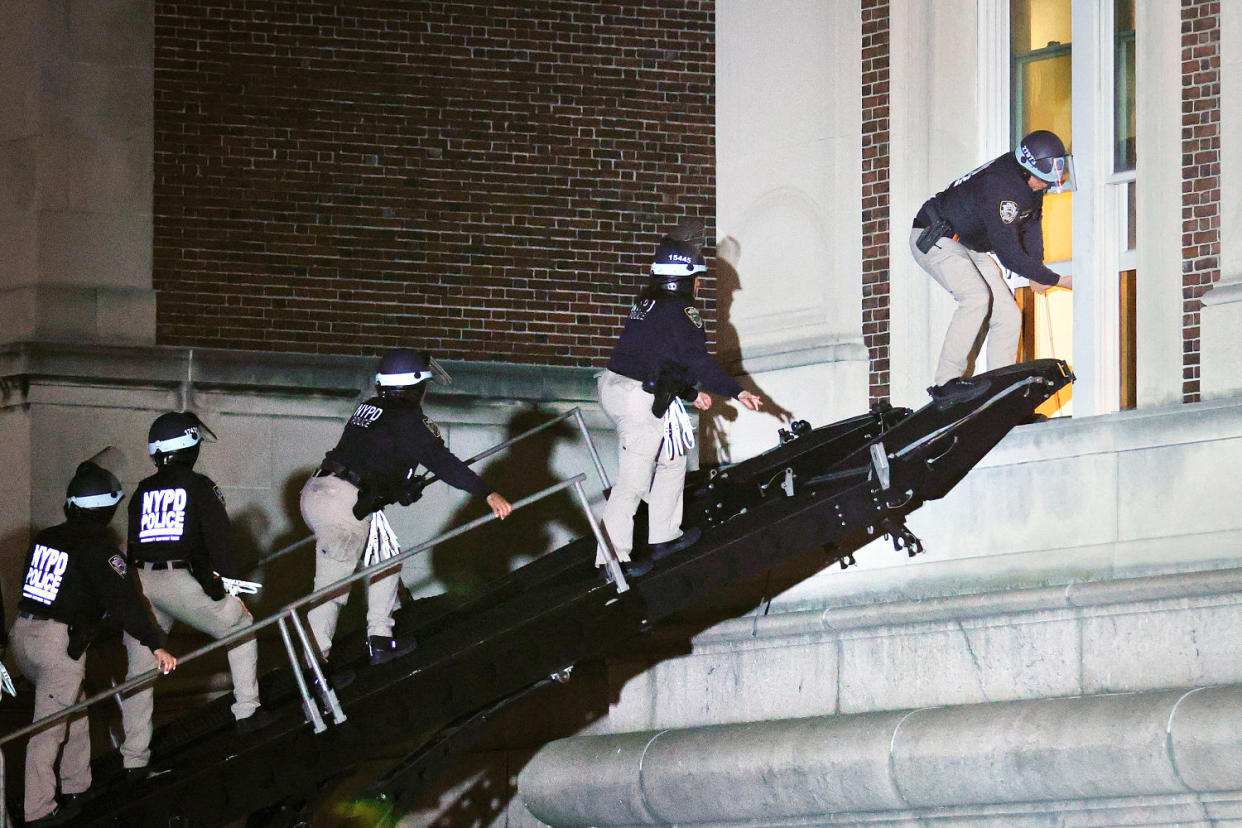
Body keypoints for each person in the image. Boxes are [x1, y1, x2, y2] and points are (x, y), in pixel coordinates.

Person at [300, 348, 513, 665]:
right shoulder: (408, 419)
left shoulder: (371, 408)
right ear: (415, 387)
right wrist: (487, 493)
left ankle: (381, 638)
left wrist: (398, 487)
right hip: (344, 502)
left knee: (386, 557)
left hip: (320, 491)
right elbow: (444, 463)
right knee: (332, 586)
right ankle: (314, 667)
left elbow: (374, 459)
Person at [11, 459, 176, 827]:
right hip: (56, 646)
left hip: (22, 636)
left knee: (75, 709)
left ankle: (76, 785)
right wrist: (156, 643)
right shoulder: (103, 548)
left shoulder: (46, 537)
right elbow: (126, 602)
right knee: (48, 730)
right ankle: (39, 811)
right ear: (107, 508)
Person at [598, 228, 763, 577]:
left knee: (672, 458)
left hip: (620, 386)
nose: (701, 286)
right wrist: (737, 391)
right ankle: (612, 562)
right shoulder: (681, 310)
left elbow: (660, 358)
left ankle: (664, 536)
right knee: (633, 481)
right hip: (635, 396)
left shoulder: (649, 303)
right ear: (682, 279)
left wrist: (690, 393)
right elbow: (696, 361)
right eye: (697, 278)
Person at [119, 411, 271, 780]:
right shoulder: (200, 486)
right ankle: (248, 711)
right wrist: (227, 583)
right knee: (241, 627)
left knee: (139, 672)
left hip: (140, 581)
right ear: (190, 447)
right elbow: (219, 540)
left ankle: (134, 759)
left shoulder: (142, 489)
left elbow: (134, 544)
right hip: (179, 580)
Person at [911, 129, 1076, 398]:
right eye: (1043, 180)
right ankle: (946, 383)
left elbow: (1032, 223)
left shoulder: (1029, 185)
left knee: (1008, 315)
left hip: (965, 245)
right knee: (976, 297)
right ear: (1026, 170)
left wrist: (1037, 267)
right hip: (933, 235)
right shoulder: (1002, 187)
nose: (1046, 186)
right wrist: (1056, 280)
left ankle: (1002, 392)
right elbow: (1009, 254)